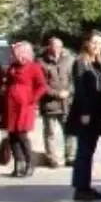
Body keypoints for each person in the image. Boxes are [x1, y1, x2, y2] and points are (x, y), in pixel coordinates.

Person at [67, 30, 101, 202]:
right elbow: (80, 89)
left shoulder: (97, 63)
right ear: (87, 43)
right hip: (86, 114)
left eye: (100, 43)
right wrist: (84, 112)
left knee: (89, 151)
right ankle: (80, 188)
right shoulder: (80, 62)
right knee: (83, 152)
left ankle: (86, 186)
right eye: (94, 42)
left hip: (97, 113)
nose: (97, 46)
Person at [0, 41, 47, 177]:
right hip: (10, 105)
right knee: (12, 135)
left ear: (28, 54)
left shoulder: (34, 67)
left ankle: (30, 163)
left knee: (22, 135)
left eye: (20, 53)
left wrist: (32, 99)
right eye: (15, 54)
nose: (18, 56)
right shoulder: (12, 67)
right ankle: (18, 165)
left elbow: (42, 86)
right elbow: (8, 82)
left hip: (24, 106)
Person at [38, 36, 75, 169]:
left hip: (67, 103)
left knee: (70, 131)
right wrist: (56, 94)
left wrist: (68, 92)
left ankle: (70, 157)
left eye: (59, 46)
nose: (57, 49)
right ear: (49, 47)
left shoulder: (69, 60)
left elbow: (74, 79)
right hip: (50, 104)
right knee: (51, 133)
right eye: (54, 46)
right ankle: (53, 159)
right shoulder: (41, 62)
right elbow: (41, 84)